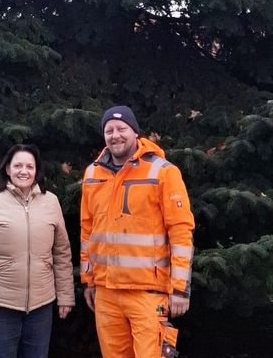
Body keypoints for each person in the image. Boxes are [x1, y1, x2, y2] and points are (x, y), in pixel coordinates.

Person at [81, 105, 194, 358]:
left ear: (135, 133)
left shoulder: (164, 172)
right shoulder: (92, 174)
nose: (115, 135)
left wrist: (179, 289)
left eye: (122, 128)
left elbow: (181, 231)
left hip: (148, 293)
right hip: (106, 293)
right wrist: (88, 280)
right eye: (109, 130)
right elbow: (87, 231)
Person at [0, 144, 75, 358]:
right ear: (7, 169)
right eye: (18, 166)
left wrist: (66, 296)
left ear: (36, 170)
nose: (24, 171)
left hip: (41, 306)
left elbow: (62, 252)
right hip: (0, 305)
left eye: (29, 166)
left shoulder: (51, 202)